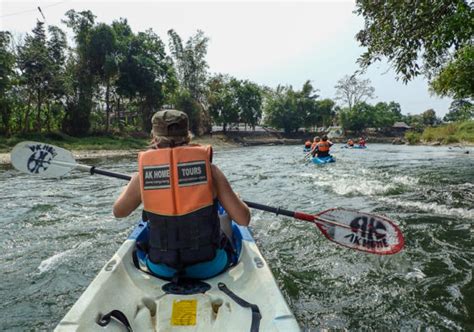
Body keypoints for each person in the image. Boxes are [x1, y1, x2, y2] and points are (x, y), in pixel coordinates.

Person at [113, 109, 250, 280]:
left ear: (154, 139)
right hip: (210, 267)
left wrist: (132, 185)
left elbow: (119, 212)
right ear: (187, 137)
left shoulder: (143, 176)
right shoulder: (211, 171)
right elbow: (243, 219)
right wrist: (235, 199)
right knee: (225, 221)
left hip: (161, 269)